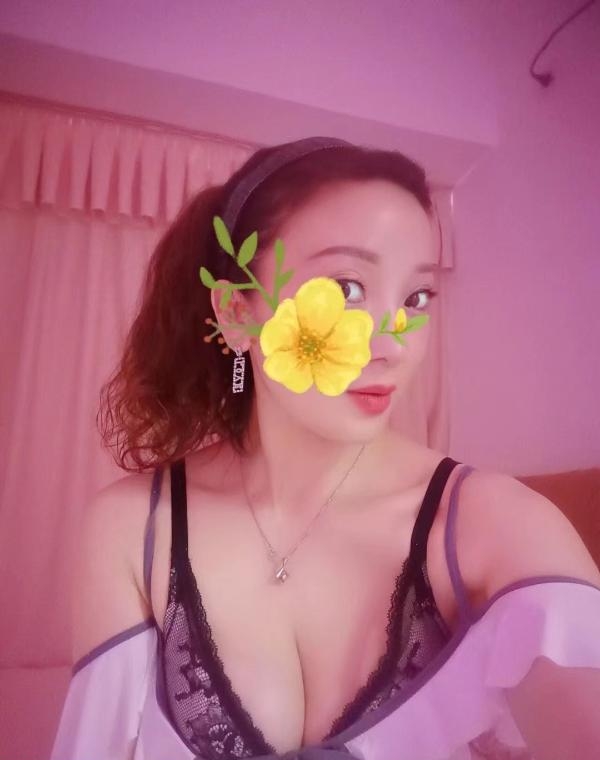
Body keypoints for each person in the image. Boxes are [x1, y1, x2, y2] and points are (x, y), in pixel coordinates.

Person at [50, 137, 600, 760]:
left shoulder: (493, 526)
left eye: (416, 297)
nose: (394, 344)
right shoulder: (135, 530)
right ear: (236, 313)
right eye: (347, 289)